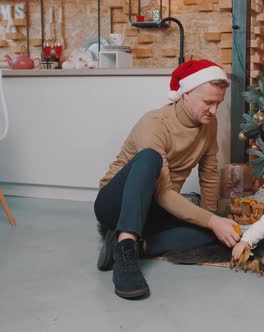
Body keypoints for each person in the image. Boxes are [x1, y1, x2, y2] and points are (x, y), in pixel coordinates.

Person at [94, 59, 241, 300]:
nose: (214, 110)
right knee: (149, 158)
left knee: (222, 231)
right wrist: (211, 220)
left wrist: (212, 216)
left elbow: (210, 172)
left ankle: (140, 246)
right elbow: (162, 191)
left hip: (155, 206)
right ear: (186, 94)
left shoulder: (209, 123)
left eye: (218, 103)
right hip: (116, 203)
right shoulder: (154, 124)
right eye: (208, 102)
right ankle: (126, 249)